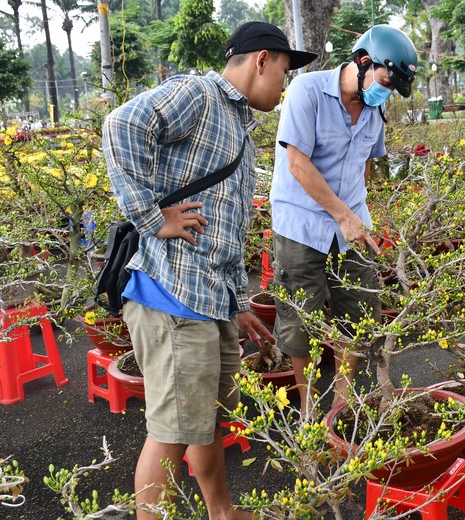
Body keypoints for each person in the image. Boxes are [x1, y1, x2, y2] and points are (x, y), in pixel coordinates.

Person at [102, 22, 316, 520]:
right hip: (171, 296)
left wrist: (237, 305)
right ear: (261, 59)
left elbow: (223, 231)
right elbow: (120, 126)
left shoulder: (235, 124)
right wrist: (154, 218)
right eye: (283, 72)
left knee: (205, 421)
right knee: (172, 431)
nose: (284, 88)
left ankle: (221, 513)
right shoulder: (200, 94)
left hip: (205, 298)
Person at [269, 24, 418, 416]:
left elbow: (366, 164)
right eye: (385, 80)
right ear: (362, 60)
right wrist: (343, 215)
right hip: (301, 226)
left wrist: (358, 213)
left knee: (359, 311)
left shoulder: (374, 111)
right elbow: (298, 164)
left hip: (351, 225)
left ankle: (342, 401)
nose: (385, 91)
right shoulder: (307, 91)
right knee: (301, 323)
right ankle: (308, 409)